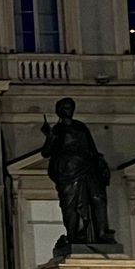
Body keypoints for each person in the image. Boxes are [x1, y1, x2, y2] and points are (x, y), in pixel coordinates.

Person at [39, 96, 116, 251]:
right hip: (68, 170)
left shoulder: (80, 126)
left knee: (98, 198)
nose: (69, 110)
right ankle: (74, 235)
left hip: (87, 167)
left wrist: (99, 162)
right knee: (71, 206)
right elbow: (46, 153)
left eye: (71, 107)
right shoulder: (57, 130)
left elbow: (91, 148)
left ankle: (102, 233)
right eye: (66, 107)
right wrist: (49, 137)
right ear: (60, 111)